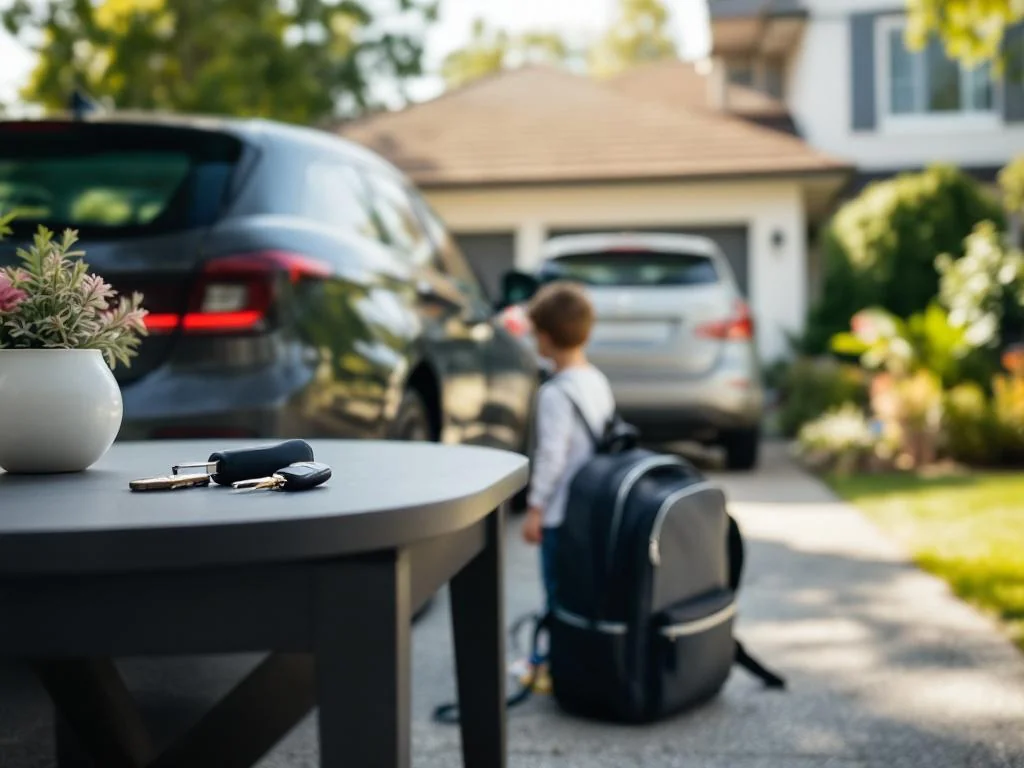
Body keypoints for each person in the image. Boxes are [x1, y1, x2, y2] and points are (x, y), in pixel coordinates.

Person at [517, 280, 616, 690]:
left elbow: (552, 456)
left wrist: (535, 508)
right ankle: (571, 661)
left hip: (559, 513)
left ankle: (553, 667)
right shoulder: (596, 379)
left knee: (556, 593)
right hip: (591, 508)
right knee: (580, 590)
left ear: (543, 338)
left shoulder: (555, 393)